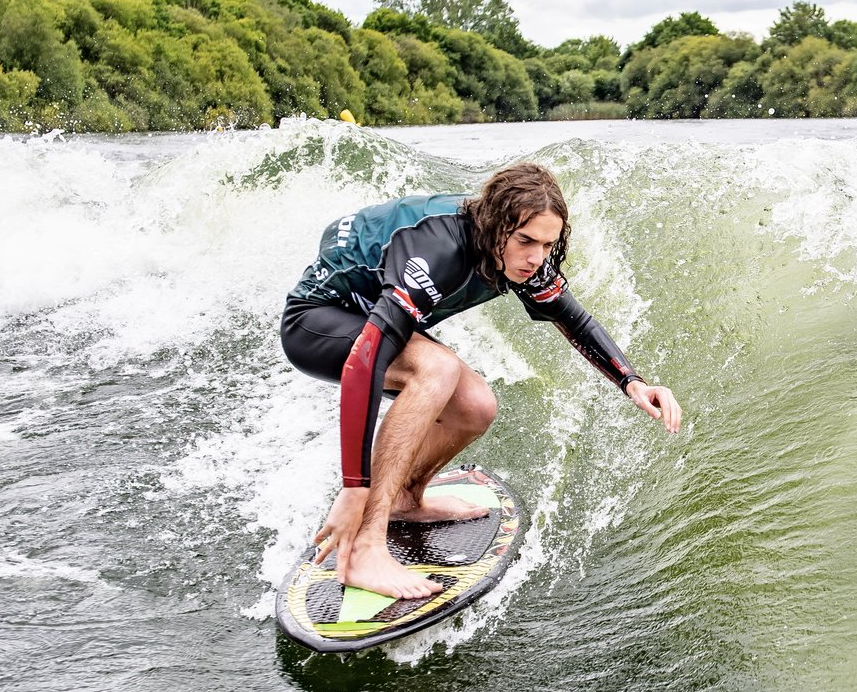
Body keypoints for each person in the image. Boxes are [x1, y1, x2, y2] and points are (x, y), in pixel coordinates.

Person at [280, 162, 682, 598]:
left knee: (474, 406)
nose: (535, 257)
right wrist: (353, 489)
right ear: (493, 226)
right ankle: (364, 545)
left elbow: (575, 320)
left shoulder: (526, 258)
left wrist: (633, 382)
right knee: (437, 369)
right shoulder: (435, 252)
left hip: (371, 316)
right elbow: (364, 364)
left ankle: (405, 500)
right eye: (525, 241)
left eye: (547, 244)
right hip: (315, 322)